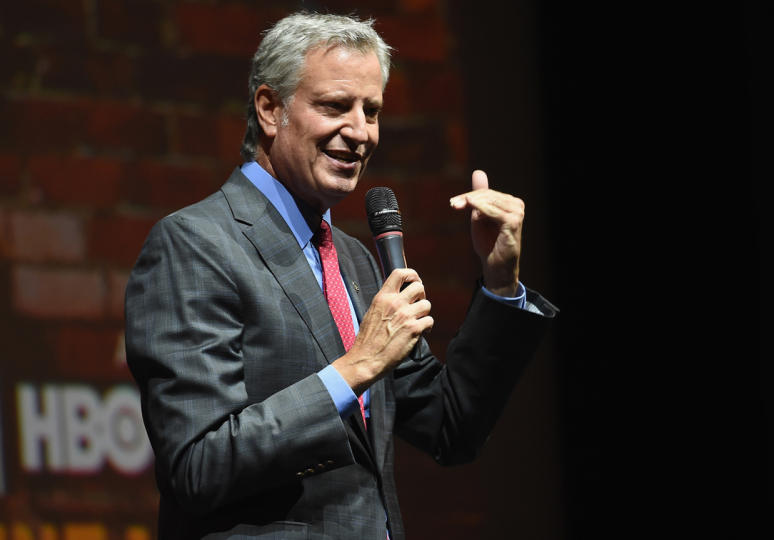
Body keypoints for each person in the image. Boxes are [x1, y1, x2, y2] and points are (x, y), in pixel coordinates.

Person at [125, 12, 557, 539]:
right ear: (270, 109)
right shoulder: (196, 244)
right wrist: (353, 371)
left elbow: (450, 428)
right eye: (335, 106)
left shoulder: (354, 260)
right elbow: (197, 466)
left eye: (371, 110)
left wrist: (499, 284)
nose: (359, 132)